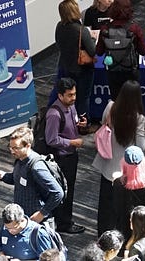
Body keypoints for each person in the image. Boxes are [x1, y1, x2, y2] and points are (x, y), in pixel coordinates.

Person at [40, 77, 88, 235]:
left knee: (69, 190)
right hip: (61, 159)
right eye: (69, 95)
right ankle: (63, 223)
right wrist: (72, 143)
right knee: (63, 192)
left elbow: (72, 124)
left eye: (74, 94)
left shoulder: (71, 107)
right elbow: (51, 139)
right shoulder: (54, 114)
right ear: (60, 96)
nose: (73, 98)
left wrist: (80, 125)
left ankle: (63, 220)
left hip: (71, 156)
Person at [0, 127, 68, 229]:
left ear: (28, 146)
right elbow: (17, 179)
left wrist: (42, 213)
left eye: (16, 148)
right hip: (24, 219)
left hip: (38, 224)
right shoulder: (20, 160)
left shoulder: (36, 167)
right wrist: (1, 175)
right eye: (10, 147)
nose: (12, 151)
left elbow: (58, 193)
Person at [55, 0, 96, 121]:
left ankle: (72, 121)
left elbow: (58, 44)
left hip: (66, 66)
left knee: (71, 96)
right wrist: (93, 39)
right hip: (82, 69)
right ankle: (84, 124)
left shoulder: (59, 26)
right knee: (83, 97)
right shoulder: (81, 30)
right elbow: (92, 51)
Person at [96, 1, 145, 97]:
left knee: (116, 101)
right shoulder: (134, 28)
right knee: (132, 101)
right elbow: (143, 51)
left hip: (112, 72)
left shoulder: (105, 29)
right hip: (130, 72)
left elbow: (99, 52)